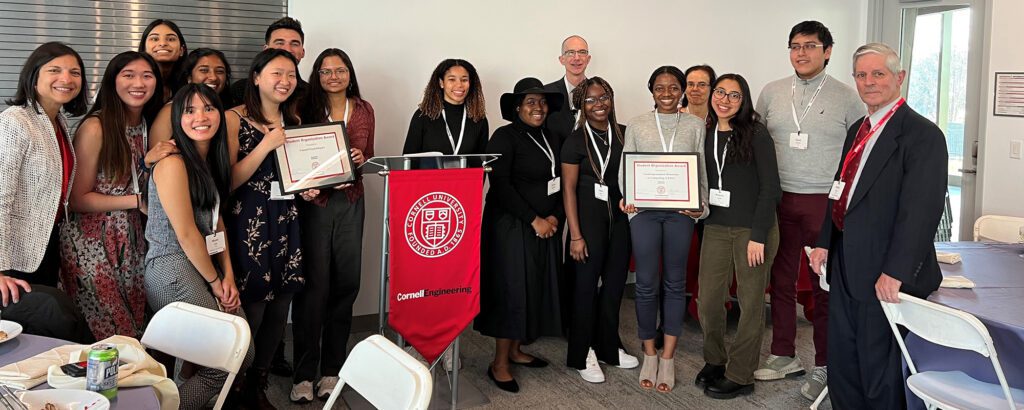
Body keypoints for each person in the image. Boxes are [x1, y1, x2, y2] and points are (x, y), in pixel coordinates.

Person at [809, 42, 946, 408]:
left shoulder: (923, 135)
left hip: (884, 272)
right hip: (845, 263)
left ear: (899, 78)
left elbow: (921, 213)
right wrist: (824, 242)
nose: (869, 82)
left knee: (879, 368)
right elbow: (840, 191)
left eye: (878, 74)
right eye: (861, 75)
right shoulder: (859, 128)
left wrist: (896, 271)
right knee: (844, 359)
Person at [753, 21, 866, 400]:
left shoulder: (848, 98)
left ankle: (826, 365)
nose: (802, 53)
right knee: (781, 281)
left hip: (824, 201)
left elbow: (857, 155)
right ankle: (784, 353)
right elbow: (756, 147)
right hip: (780, 199)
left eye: (811, 46)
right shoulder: (770, 93)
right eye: (795, 46)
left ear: (828, 51)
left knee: (824, 287)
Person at [145, 83, 254, 410]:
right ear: (177, 118)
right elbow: (187, 235)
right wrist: (215, 282)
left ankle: (181, 395)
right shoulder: (173, 162)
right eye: (189, 110)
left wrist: (229, 275)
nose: (200, 117)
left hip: (203, 266)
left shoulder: (209, 160)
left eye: (208, 108)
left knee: (232, 352)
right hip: (170, 268)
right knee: (232, 357)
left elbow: (216, 223)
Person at [289, 48, 373, 403]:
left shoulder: (365, 108)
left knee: (346, 285)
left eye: (340, 71)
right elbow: (293, 156)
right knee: (314, 289)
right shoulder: (302, 108)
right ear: (317, 76)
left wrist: (361, 159)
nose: (333, 77)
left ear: (349, 74)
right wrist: (305, 187)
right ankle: (304, 374)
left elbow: (368, 152)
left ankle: (331, 370)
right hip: (315, 206)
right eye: (325, 71)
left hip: (351, 202)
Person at [60, 51, 162, 340]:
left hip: (134, 239)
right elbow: (77, 199)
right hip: (93, 244)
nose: (138, 83)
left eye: (147, 75)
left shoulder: (148, 125)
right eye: (128, 75)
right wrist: (136, 201)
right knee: (111, 333)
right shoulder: (97, 126)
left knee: (138, 327)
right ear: (112, 81)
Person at [619, 66, 708, 393]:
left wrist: (701, 206)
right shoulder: (639, 124)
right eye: (660, 88)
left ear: (682, 90)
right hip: (644, 212)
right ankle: (649, 353)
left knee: (675, 282)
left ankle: (668, 356)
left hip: (681, 213)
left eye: (673, 87)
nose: (667, 93)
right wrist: (629, 199)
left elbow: (701, 169)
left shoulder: (696, 125)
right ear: (652, 90)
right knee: (645, 283)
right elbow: (625, 167)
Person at [225, 48, 305, 408]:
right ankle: (235, 386)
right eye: (276, 73)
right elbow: (228, 180)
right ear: (256, 77)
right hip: (249, 224)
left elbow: (295, 176)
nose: (284, 81)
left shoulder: (297, 121)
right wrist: (266, 145)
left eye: (290, 74)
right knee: (252, 304)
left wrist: (310, 184)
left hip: (286, 220)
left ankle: (259, 381)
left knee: (282, 301)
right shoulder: (231, 119)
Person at [476, 77, 565, 394]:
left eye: (541, 102)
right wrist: (534, 219)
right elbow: (500, 186)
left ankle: (515, 351)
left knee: (531, 288)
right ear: (517, 108)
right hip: (511, 227)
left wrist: (555, 216)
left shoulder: (553, 137)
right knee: (511, 290)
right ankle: (499, 363)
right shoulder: (505, 136)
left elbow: (562, 180)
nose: (537, 107)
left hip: (545, 226)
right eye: (530, 102)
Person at [0, 42, 93, 343]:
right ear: (34, 76)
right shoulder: (16, 120)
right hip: (12, 254)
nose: (66, 78)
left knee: (39, 339)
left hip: (44, 246)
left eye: (74, 72)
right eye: (54, 70)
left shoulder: (58, 121)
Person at [696, 74, 782, 399]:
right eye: (720, 92)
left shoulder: (756, 133)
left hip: (753, 230)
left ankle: (741, 374)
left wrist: (759, 235)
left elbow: (771, 188)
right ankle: (715, 360)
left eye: (734, 95)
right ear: (712, 94)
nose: (725, 100)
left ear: (743, 100)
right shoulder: (704, 133)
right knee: (708, 301)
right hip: (715, 227)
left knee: (750, 304)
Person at [560, 77, 638, 383]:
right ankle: (583, 353)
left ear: (611, 98)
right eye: (590, 100)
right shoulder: (574, 140)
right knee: (584, 289)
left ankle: (609, 345)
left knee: (614, 286)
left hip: (619, 222)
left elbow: (635, 174)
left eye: (603, 97)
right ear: (581, 105)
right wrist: (575, 235)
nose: (598, 104)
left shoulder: (624, 134)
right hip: (587, 225)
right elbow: (567, 190)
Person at [146, 48, 234, 166]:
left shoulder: (227, 110)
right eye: (204, 70)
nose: (213, 77)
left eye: (220, 71)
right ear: (189, 78)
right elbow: (156, 161)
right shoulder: (171, 111)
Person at [402, 59, 488, 155]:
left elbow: (482, 163)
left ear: (470, 83)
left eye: (464, 80)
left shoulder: (478, 118)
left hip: (465, 171)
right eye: (452, 79)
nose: (459, 85)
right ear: (441, 83)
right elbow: (408, 160)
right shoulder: (423, 115)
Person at [230, 17, 307, 105]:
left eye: (294, 44)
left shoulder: (312, 94)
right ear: (266, 50)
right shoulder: (240, 90)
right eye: (280, 43)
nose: (287, 49)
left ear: (303, 52)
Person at [545, 35, 591, 145]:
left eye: (582, 52)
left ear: (588, 59)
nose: (577, 58)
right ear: (562, 60)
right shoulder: (547, 93)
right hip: (556, 158)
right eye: (570, 52)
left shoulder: (600, 93)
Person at [138, 19, 187, 102]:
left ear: (181, 50)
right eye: (154, 39)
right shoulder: (134, 83)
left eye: (171, 39)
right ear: (144, 49)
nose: (163, 43)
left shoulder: (188, 85)